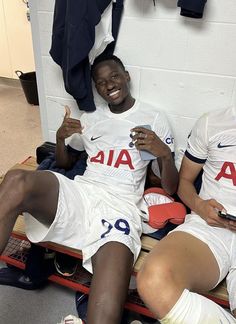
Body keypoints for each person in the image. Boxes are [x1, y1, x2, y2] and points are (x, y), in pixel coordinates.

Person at [0, 54, 178, 324]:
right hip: (82, 194)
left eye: (114, 77)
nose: (109, 85)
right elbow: (65, 162)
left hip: (120, 206)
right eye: (101, 82)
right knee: (15, 179)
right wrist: (60, 138)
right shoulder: (91, 117)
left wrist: (164, 154)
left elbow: (171, 188)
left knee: (104, 313)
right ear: (96, 87)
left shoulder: (153, 117)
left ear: (127, 76)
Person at [137, 106, 236, 323]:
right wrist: (201, 207)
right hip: (209, 226)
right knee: (153, 279)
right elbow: (184, 183)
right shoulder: (212, 122)